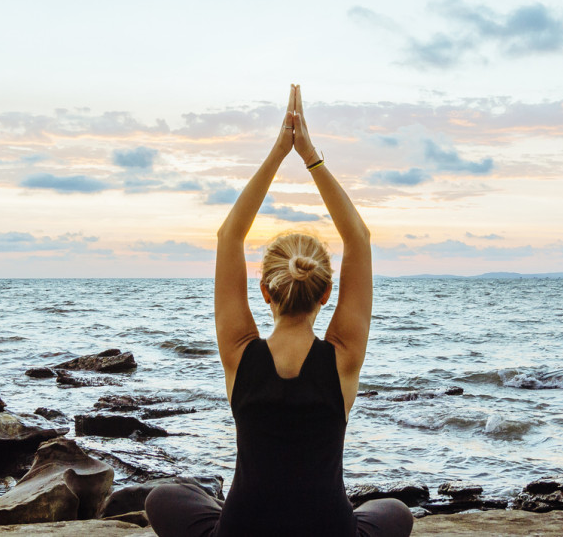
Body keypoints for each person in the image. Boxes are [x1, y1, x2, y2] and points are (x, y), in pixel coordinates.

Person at [147, 85, 414, 537]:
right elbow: (359, 240)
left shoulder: (239, 352)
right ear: (327, 292)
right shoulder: (342, 356)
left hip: (242, 530)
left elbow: (229, 236)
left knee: (162, 497)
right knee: (395, 511)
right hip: (330, 531)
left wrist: (278, 152)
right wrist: (310, 157)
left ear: (265, 292)